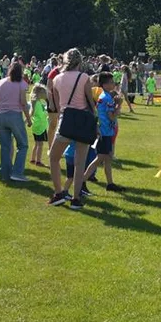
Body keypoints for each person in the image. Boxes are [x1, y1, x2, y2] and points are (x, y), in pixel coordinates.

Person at [47, 49, 97, 209]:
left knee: (54, 157)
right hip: (83, 121)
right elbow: (90, 102)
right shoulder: (84, 77)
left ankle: (58, 193)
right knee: (79, 162)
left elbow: (57, 104)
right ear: (80, 62)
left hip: (66, 121)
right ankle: (76, 198)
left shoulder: (56, 79)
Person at [76, 72, 123, 196]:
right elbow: (112, 117)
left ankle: (110, 184)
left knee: (107, 158)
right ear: (105, 84)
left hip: (106, 131)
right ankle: (81, 181)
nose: (114, 84)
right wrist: (119, 105)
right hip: (104, 132)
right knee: (100, 158)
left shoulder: (106, 96)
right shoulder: (107, 98)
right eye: (111, 82)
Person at [0, 62, 32, 183]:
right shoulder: (22, 83)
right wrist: (28, 119)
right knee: (23, 145)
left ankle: (6, 174)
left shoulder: (0, 82)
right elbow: (23, 102)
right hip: (15, 115)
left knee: (5, 147)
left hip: (1, 116)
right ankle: (17, 173)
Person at [29, 84, 50, 166]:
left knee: (36, 143)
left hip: (38, 125)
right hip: (40, 126)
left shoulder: (38, 102)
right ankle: (38, 161)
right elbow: (33, 113)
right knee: (40, 144)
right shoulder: (35, 102)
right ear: (40, 93)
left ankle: (33, 159)